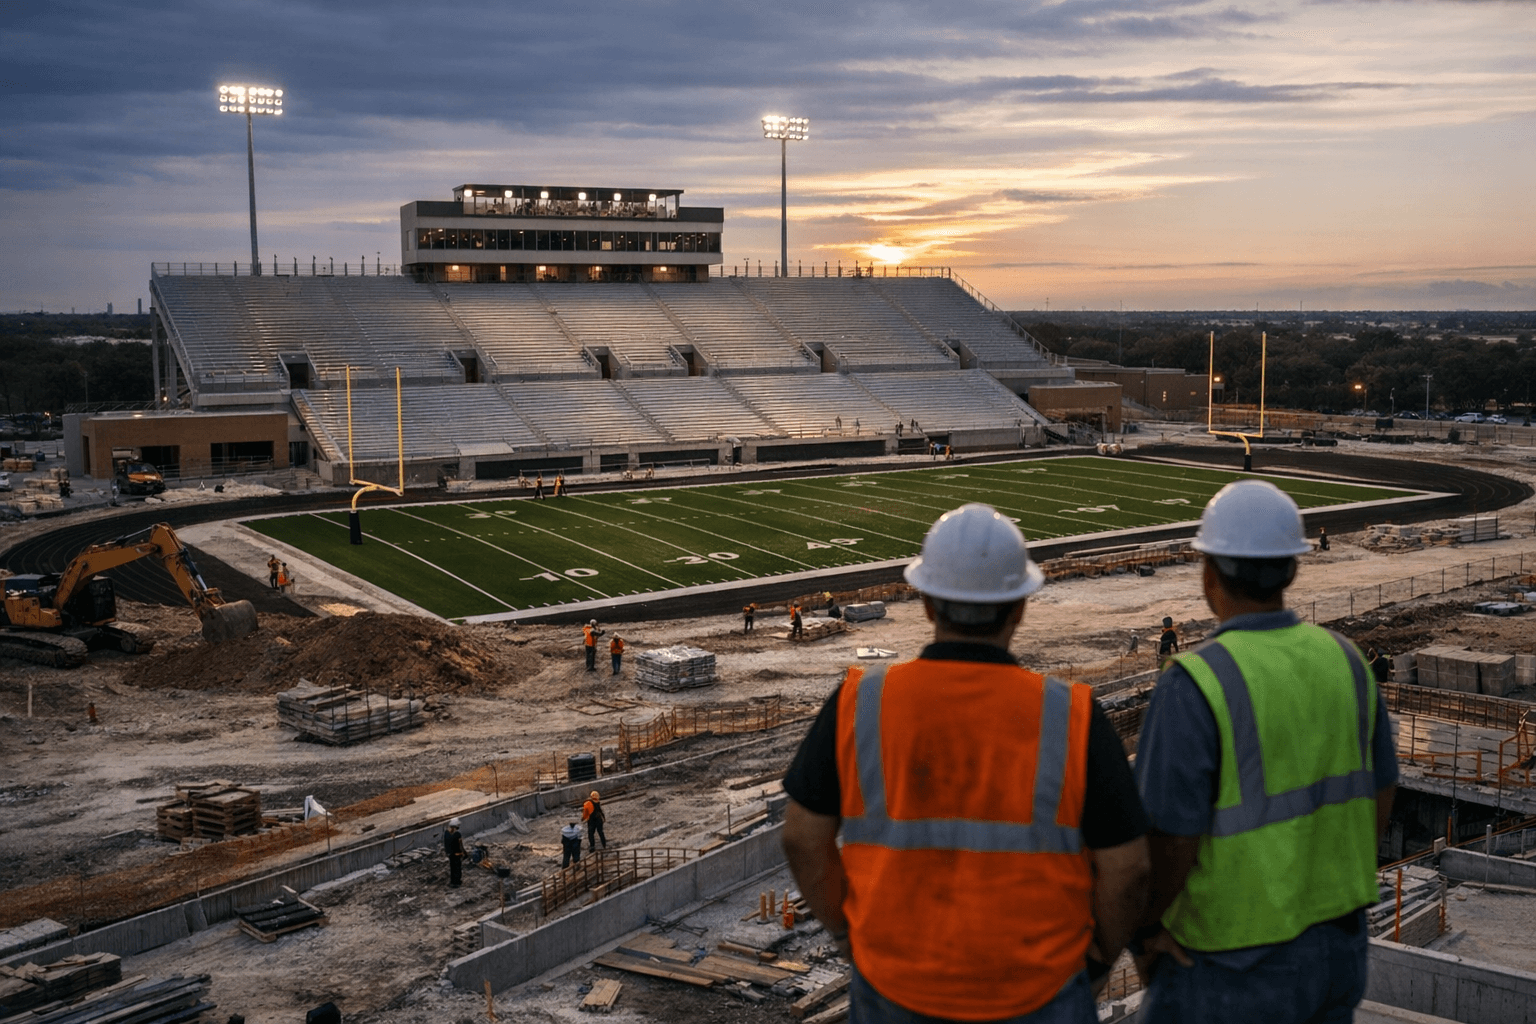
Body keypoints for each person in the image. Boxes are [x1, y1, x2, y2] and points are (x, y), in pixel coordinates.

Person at [782, 503, 1150, 1022]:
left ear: (928, 603)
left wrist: (847, 936)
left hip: (895, 990)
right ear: (1020, 607)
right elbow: (1129, 869)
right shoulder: (1074, 718)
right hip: (1039, 993)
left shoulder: (859, 703)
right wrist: (1093, 965)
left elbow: (801, 837)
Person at [1132, 480, 1399, 1024]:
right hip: (1337, 946)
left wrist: (1147, 933)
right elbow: (1381, 792)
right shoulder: (1346, 661)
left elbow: (1167, 841)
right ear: (1294, 569)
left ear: (1209, 574)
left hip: (1229, 960)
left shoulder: (1194, 683)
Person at [444, 818, 466, 887]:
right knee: (457, 868)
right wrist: (465, 853)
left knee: (452, 868)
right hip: (457, 853)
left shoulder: (446, 833)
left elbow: (445, 844)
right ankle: (457, 882)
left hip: (450, 854)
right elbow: (460, 845)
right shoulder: (457, 834)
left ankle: (453, 881)